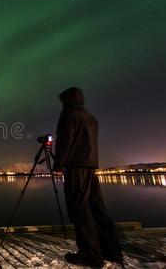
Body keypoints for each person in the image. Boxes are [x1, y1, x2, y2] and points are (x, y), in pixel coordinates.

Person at [53, 87, 123, 267]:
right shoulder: (90, 118)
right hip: (91, 166)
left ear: (66, 100)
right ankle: (112, 251)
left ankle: (90, 255)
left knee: (79, 208)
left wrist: (58, 164)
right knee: (97, 207)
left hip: (76, 166)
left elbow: (65, 140)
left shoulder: (69, 114)